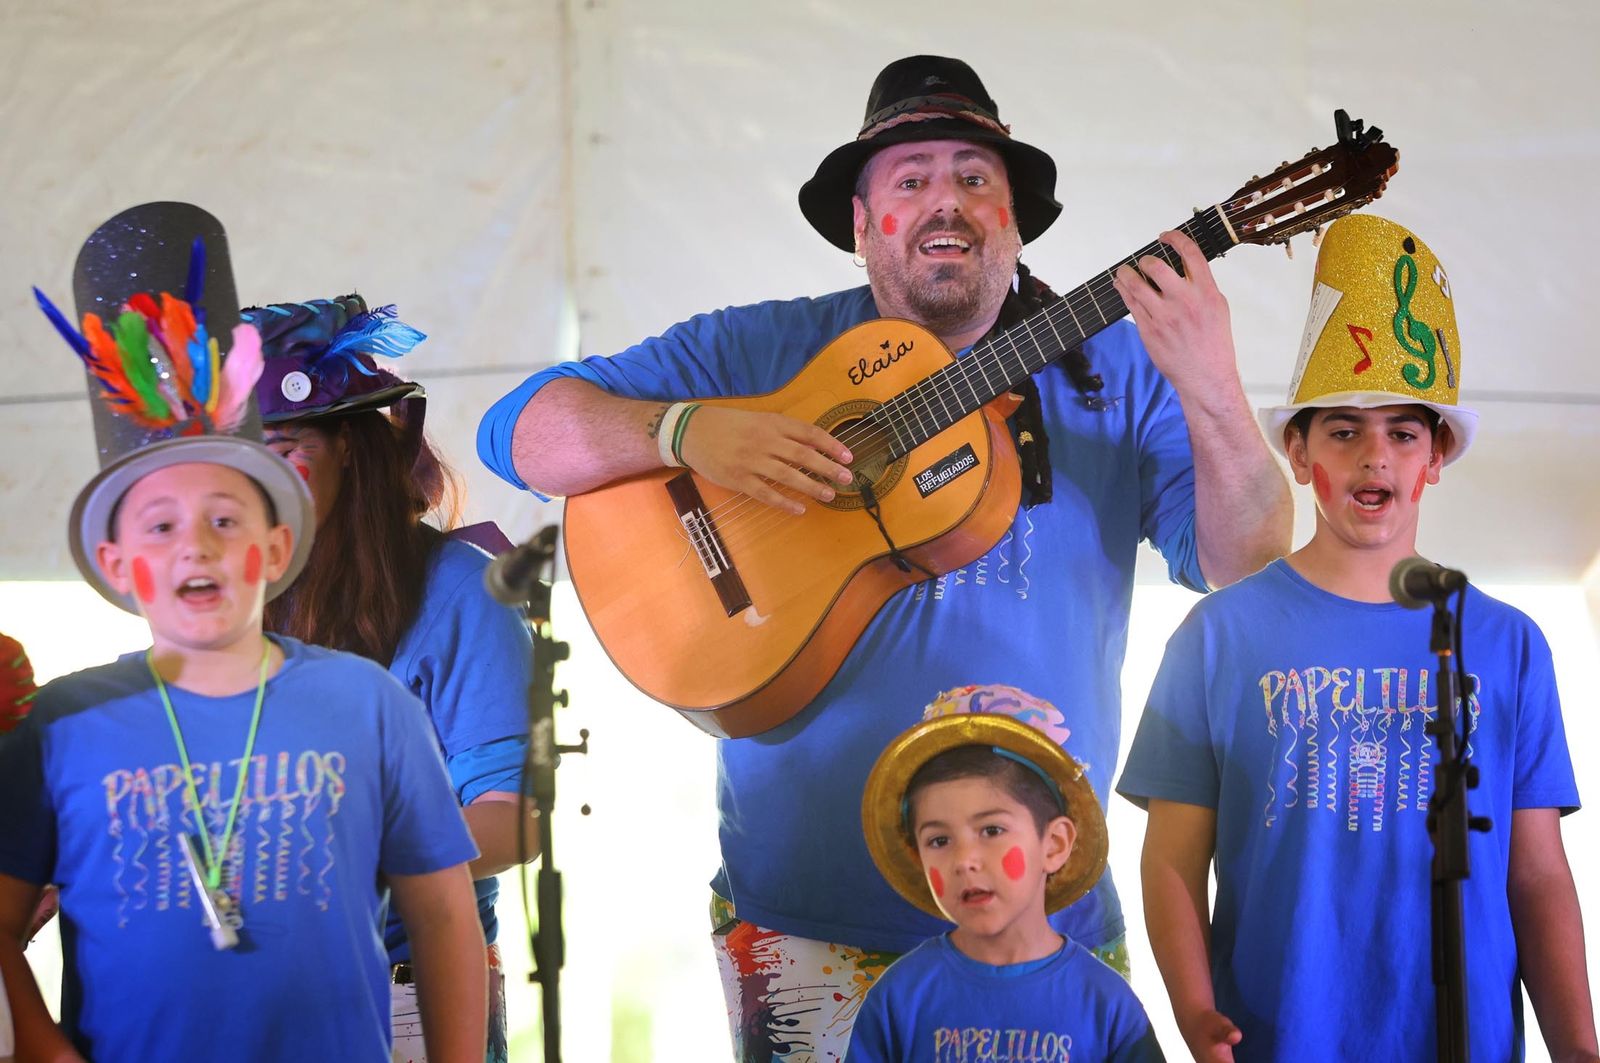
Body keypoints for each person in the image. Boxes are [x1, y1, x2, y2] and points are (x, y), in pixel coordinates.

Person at [478, 55, 1291, 1059]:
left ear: (1015, 222)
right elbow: (518, 431)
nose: (944, 200)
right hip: (805, 924)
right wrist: (688, 431)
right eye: (909, 181)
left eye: (974, 177)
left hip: (1048, 933)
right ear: (862, 227)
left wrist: (1211, 383)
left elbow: (1246, 561)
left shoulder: (1119, 365)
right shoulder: (761, 353)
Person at [0, 204, 487, 1063]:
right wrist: (41, 1045)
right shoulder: (62, 725)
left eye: (226, 518)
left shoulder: (367, 703)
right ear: (115, 564)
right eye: (159, 527)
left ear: (275, 545)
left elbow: (444, 913)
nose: (195, 543)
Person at [1117, 214, 1597, 1061]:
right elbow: (1170, 861)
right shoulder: (1218, 634)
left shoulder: (1507, 641)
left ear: (1435, 457)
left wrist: (1579, 1046)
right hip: (1278, 1035)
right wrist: (1194, 1012)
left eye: (1403, 432)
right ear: (1298, 454)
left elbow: (1539, 874)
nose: (1375, 455)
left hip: (1465, 1041)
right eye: (1342, 430)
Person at [243, 294, 536, 1063]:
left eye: (283, 446)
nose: (259, 482)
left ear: (350, 444)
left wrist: (348, 861)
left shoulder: (464, 588)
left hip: (418, 989)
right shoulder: (225, 602)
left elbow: (514, 822)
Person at [849, 684, 1163, 1062]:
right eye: (939, 840)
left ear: (1054, 844)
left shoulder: (1106, 1003)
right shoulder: (899, 997)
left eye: (991, 831)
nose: (965, 860)